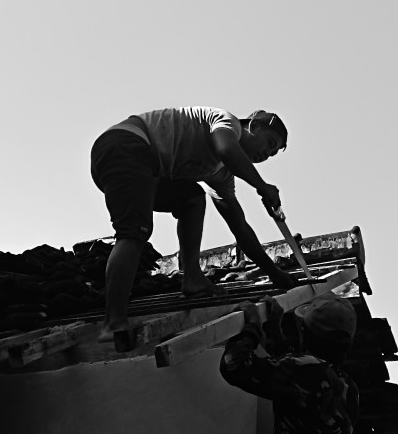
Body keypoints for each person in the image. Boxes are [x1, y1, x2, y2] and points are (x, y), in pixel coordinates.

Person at [90, 107, 298, 342]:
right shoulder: (226, 122)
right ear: (254, 126)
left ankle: (192, 277)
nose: (266, 154)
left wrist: (274, 273)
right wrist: (262, 185)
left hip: (145, 169)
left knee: (192, 198)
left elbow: (239, 226)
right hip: (126, 146)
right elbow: (226, 148)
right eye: (269, 143)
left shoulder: (221, 174)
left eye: (272, 154)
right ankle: (113, 322)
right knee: (134, 233)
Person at [220, 294, 360, 434]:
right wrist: (276, 332)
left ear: (304, 331)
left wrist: (253, 325)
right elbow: (297, 379)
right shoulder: (349, 388)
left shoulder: (306, 368)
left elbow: (233, 364)